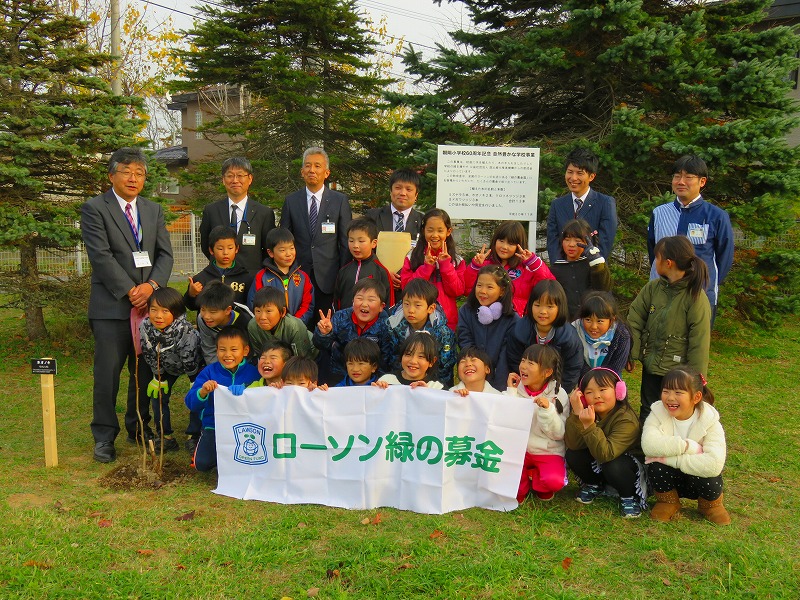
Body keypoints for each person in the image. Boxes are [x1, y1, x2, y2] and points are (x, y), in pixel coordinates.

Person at [80, 147, 174, 463]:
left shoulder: (153, 210)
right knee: (107, 375)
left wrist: (151, 287)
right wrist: (129, 290)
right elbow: (101, 256)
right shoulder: (95, 209)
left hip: (149, 309)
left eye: (139, 173)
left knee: (143, 372)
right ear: (112, 175)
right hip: (112, 308)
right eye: (127, 171)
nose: (133, 178)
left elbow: (165, 255)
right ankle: (104, 437)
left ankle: (138, 427)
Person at [628, 236, 711, 425]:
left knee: (674, 414)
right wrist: (631, 354)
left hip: (678, 375)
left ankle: (671, 451)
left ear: (668, 263)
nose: (654, 261)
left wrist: (695, 381)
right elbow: (635, 318)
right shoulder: (652, 288)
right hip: (651, 368)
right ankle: (644, 452)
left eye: (657, 258)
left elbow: (699, 342)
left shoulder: (696, 297)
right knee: (648, 411)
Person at [648, 155, 734, 325]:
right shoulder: (659, 213)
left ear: (702, 182)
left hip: (699, 295)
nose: (681, 181)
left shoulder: (716, 216)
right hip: (663, 294)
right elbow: (653, 251)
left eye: (688, 177)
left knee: (695, 346)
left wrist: (705, 282)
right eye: (677, 176)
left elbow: (725, 257)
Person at [641, 367, 730, 525]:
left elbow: (713, 464)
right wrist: (689, 447)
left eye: (678, 393)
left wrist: (672, 459)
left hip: (698, 480)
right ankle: (667, 501)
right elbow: (649, 445)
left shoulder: (710, 421)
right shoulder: (657, 412)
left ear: (696, 397)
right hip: (670, 478)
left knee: (711, 477)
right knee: (656, 467)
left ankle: (710, 506)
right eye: (666, 391)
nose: (670, 398)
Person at [280, 147, 352, 321]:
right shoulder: (291, 201)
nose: (312, 170)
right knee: (299, 326)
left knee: (326, 327)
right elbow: (284, 239)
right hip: (298, 277)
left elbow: (345, 242)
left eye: (317, 166)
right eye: (308, 166)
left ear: (326, 172)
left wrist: (342, 275)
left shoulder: (339, 201)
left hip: (329, 278)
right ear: (302, 172)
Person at [565, 368, 646, 518]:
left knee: (613, 464)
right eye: (589, 392)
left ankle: (629, 496)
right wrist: (576, 415)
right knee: (573, 454)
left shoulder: (626, 419)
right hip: (602, 459)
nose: (597, 396)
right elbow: (573, 444)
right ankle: (594, 484)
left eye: (603, 389)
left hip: (627, 469)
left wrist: (589, 426)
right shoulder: (588, 412)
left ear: (618, 391)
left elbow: (606, 454)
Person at [186, 327, 260, 471]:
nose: (227, 355)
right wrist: (203, 391)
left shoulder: (254, 373)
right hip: (214, 426)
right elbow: (190, 403)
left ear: (245, 351)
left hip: (246, 428)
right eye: (222, 350)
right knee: (202, 464)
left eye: (234, 350)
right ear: (216, 350)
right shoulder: (209, 372)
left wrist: (247, 389)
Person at [139, 288, 202, 452]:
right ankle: (165, 436)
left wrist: (193, 380)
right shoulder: (145, 326)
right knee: (158, 396)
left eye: (165, 311)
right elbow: (149, 351)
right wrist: (158, 376)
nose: (158, 316)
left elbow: (190, 355)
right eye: (153, 310)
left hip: (191, 366)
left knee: (196, 397)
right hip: (166, 366)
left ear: (177, 312)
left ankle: (194, 435)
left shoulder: (185, 330)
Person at [505, 345, 570, 502]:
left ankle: (538, 482)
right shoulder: (515, 389)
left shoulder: (559, 394)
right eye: (523, 361)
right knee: (515, 491)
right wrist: (511, 392)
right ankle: (523, 482)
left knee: (554, 481)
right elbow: (505, 422)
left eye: (531, 363)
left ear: (547, 372)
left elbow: (559, 433)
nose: (523, 367)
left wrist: (548, 410)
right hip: (519, 450)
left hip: (547, 451)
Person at [199, 157, 276, 277]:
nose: (235, 180)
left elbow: (269, 249)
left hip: (252, 278)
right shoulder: (211, 211)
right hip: (220, 277)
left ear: (250, 179)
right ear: (223, 180)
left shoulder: (264, 213)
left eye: (240, 175)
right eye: (230, 176)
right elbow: (206, 245)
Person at [506, 280, 583, 393]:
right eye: (537, 305)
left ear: (560, 307)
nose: (542, 311)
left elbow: (572, 369)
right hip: (524, 387)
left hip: (558, 389)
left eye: (550, 306)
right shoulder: (519, 331)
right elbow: (514, 361)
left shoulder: (568, 337)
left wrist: (557, 392)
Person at [465, 220, 554, 317]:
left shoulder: (527, 269)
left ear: (519, 245)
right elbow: (468, 289)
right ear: (495, 241)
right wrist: (475, 267)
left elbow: (549, 286)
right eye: (501, 241)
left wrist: (534, 262)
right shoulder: (484, 266)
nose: (504, 247)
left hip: (515, 323)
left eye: (510, 243)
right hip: (486, 323)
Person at [313, 279, 393, 383]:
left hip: (371, 379)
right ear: (353, 301)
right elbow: (321, 346)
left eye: (371, 300)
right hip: (339, 373)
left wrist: (380, 381)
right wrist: (324, 334)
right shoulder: (340, 317)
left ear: (381, 307)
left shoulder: (386, 325)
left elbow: (385, 359)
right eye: (360, 298)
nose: (364, 304)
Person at [546, 148, 617, 263]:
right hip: (563, 273)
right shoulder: (557, 205)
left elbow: (605, 242)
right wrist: (561, 267)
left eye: (580, 173)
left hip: (593, 272)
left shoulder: (605, 203)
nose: (573, 178)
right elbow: (553, 242)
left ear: (591, 176)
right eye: (570, 172)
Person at [400, 208, 465, 331]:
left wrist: (446, 265)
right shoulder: (412, 256)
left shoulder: (456, 260)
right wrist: (426, 268)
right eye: (430, 230)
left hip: (446, 322)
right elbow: (406, 287)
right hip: (417, 321)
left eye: (440, 230)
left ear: (448, 231)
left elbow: (457, 291)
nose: (435, 235)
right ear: (423, 231)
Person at [457, 265, 520, 391]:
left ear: (502, 291)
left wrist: (498, 389)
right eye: (479, 285)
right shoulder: (466, 311)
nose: (482, 291)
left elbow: (506, 357)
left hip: (499, 381)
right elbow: (465, 341)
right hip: (471, 377)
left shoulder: (512, 319)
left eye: (489, 287)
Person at [386, 279, 456, 388]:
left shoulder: (443, 333)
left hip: (431, 385)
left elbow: (445, 366)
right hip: (400, 383)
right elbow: (391, 358)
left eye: (417, 305)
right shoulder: (393, 326)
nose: (411, 310)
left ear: (431, 308)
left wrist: (437, 388)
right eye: (407, 304)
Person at [365, 168, 425, 293]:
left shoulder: (423, 222)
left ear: (416, 195)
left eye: (409, 189)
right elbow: (364, 248)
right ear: (391, 191)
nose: (402, 193)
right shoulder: (372, 216)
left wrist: (405, 277)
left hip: (411, 288)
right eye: (398, 188)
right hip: (377, 285)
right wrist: (384, 273)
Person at [247, 227, 314, 325]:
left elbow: (308, 305)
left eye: (292, 248)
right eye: (282, 250)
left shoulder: (303, 277)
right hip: (269, 327)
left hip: (296, 327)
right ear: (270, 253)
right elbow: (254, 303)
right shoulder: (262, 277)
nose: (288, 254)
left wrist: (294, 323)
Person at [550, 219, 611, 321]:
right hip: (567, 325)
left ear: (587, 242)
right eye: (567, 239)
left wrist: (596, 262)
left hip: (592, 323)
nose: (571, 244)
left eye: (577, 241)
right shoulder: (556, 268)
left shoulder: (594, 264)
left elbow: (603, 289)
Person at [185, 225, 252, 312]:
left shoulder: (246, 277)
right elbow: (191, 306)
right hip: (208, 324)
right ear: (211, 250)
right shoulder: (201, 278)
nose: (225, 252)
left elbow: (251, 305)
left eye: (230, 248)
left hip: (237, 323)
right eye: (220, 248)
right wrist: (191, 294)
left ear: (236, 249)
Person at [333, 218, 395, 309]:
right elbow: (336, 302)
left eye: (361, 241)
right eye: (351, 241)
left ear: (374, 243)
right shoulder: (343, 271)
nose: (355, 245)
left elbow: (389, 304)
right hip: (345, 322)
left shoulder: (381, 271)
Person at [572, 291, 631, 379]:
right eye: (588, 320)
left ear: (612, 320)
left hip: (609, 381)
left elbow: (615, 369)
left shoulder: (621, 336)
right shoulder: (573, 332)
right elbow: (576, 364)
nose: (594, 326)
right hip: (581, 381)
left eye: (599, 321)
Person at [247, 287, 317, 359]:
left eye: (268, 311)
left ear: (283, 312)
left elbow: (302, 359)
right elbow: (260, 355)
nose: (262, 317)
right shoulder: (253, 326)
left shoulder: (294, 326)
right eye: (258, 311)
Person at [195, 281, 252, 367]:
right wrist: (217, 371)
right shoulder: (202, 319)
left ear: (227, 310)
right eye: (203, 310)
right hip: (221, 357)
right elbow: (209, 348)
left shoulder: (245, 320)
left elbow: (252, 350)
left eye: (212, 312)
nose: (206, 316)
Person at [372, 333, 444, 389]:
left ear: (432, 361)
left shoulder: (437, 387)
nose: (413, 361)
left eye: (421, 356)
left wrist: (426, 394)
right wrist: (375, 392)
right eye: (408, 354)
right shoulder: (387, 380)